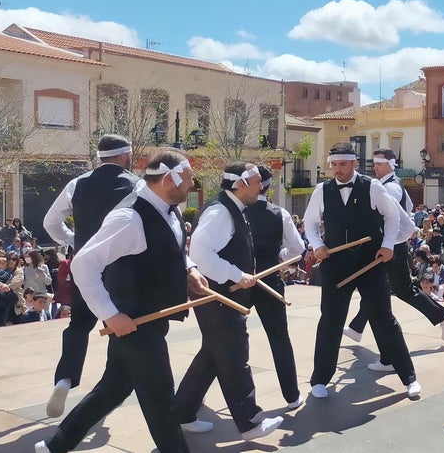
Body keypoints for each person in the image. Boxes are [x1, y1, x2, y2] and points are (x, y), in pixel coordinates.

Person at [36, 149, 206, 453]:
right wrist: (110, 315)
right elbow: (83, 265)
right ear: (169, 179)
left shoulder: (168, 206)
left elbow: (170, 248)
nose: (191, 184)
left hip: (151, 318)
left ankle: (54, 447)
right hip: (134, 322)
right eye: (188, 178)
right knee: (161, 397)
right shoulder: (129, 218)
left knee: (114, 388)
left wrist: (189, 269)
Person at [173, 162, 284, 440]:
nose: (262, 187)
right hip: (218, 297)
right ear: (240, 184)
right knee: (235, 355)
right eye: (257, 182)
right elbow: (199, 253)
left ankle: (182, 412)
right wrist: (237, 274)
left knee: (212, 355)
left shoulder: (234, 207)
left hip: (223, 295)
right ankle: (250, 423)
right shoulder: (221, 211)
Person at [304, 143, 421, 400]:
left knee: (384, 319)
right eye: (333, 164)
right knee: (330, 321)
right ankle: (320, 379)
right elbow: (310, 223)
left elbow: (393, 217)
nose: (337, 170)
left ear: (355, 163)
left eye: (342, 164)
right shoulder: (322, 190)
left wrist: (389, 245)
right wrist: (318, 245)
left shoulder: (373, 187)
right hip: (336, 264)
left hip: (371, 262)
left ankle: (409, 377)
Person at [41, 135, 139, 419]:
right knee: (118, 325)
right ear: (125, 156)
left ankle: (65, 379)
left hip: (85, 265)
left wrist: (75, 241)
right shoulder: (137, 185)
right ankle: (107, 390)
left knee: (79, 324)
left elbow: (50, 222)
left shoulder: (77, 183)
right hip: (121, 268)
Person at [345, 150, 444, 369]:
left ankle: (389, 351)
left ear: (390, 165)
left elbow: (389, 216)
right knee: (384, 290)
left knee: (390, 290)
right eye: (374, 162)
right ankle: (357, 328)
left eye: (379, 163)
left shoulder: (391, 187)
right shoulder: (389, 185)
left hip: (391, 247)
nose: (375, 166)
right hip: (391, 246)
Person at [242, 166, 306, 411]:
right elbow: (298, 249)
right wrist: (279, 256)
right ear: (269, 187)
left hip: (240, 282)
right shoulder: (279, 213)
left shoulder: (236, 212)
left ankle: (196, 397)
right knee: (279, 338)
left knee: (224, 338)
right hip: (270, 281)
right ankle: (291, 395)